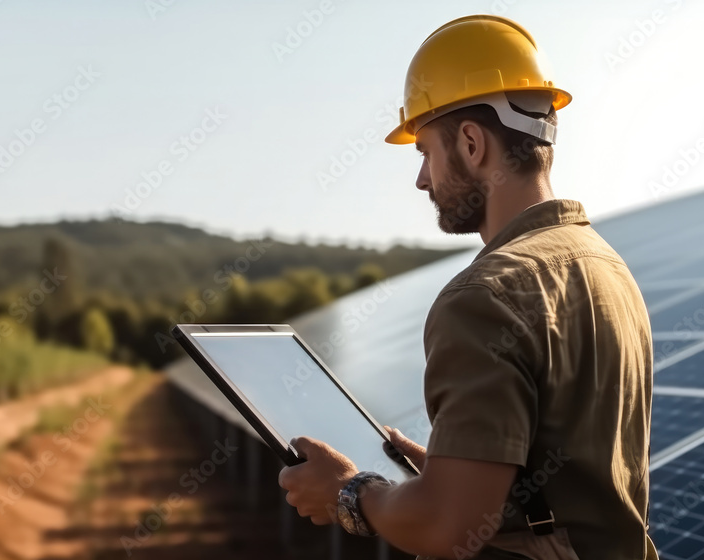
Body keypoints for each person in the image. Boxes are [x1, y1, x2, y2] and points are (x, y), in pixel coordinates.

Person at [279, 14, 659, 560]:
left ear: (473, 143)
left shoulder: (482, 297)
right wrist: (445, 473)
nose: (423, 179)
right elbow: (569, 479)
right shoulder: (605, 266)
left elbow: (445, 528)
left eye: (426, 152)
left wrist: (348, 491)